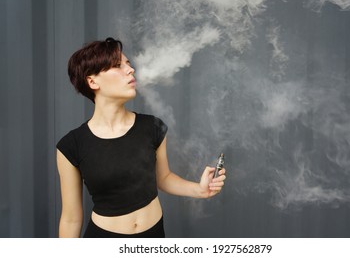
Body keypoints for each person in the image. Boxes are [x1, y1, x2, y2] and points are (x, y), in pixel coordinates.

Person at [56, 37, 226, 238]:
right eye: (118, 66)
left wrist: (200, 190)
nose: (130, 70)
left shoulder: (152, 127)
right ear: (92, 81)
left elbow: (163, 179)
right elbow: (71, 219)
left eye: (128, 64)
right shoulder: (71, 146)